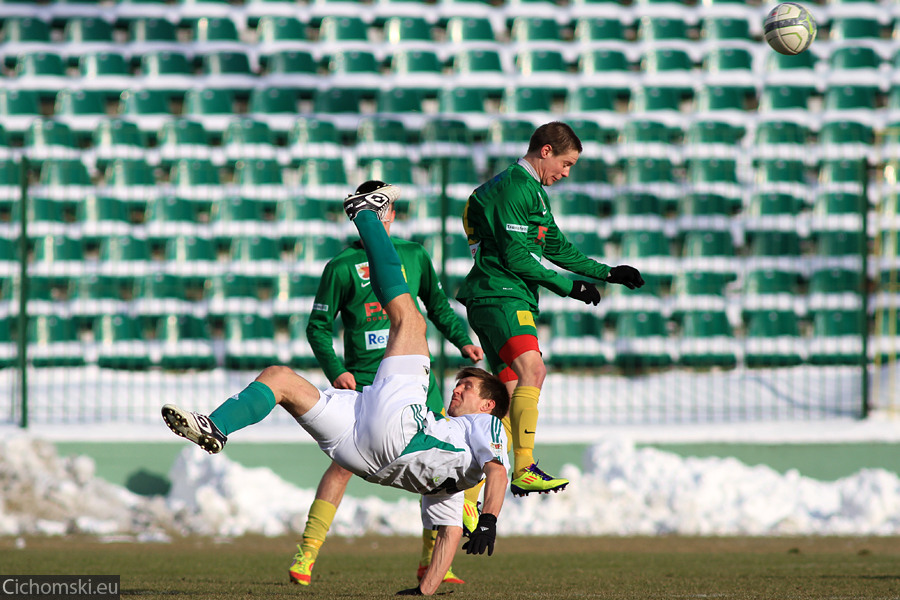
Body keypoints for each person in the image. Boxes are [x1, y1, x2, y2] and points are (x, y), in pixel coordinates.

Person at [162, 181, 510, 596]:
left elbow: (498, 470)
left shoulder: (486, 427)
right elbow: (451, 531)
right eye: (461, 384)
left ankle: (365, 212)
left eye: (467, 388)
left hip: (394, 427)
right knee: (280, 378)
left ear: (489, 405)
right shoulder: (453, 477)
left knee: (410, 320)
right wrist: (426, 591)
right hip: (363, 433)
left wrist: (489, 519)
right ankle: (216, 427)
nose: (458, 390)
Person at [295, 179, 485, 587]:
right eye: (377, 210)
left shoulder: (415, 255)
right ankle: (307, 552)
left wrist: (464, 340)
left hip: (417, 380)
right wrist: (335, 371)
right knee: (343, 465)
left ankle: (431, 562)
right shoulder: (342, 265)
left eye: (385, 210)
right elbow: (317, 327)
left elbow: (437, 307)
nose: (386, 215)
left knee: (441, 462)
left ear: (392, 215)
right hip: (364, 380)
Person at [457, 121, 645, 496]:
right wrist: (567, 285)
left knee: (508, 403)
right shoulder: (513, 186)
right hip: (502, 295)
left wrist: (607, 272)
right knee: (534, 370)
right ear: (546, 151)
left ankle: (467, 492)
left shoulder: (532, 192)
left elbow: (555, 246)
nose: (566, 172)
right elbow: (515, 255)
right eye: (567, 163)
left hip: (502, 297)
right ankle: (524, 466)